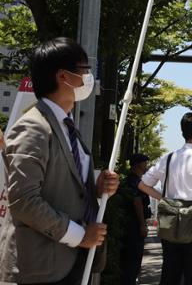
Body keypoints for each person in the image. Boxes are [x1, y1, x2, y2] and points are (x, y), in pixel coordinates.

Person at [0, 37, 119, 284]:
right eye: (85, 70)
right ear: (63, 76)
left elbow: (65, 187)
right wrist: (79, 235)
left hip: (70, 261)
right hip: (42, 269)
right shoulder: (33, 127)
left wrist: (97, 189)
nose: (89, 78)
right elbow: (24, 200)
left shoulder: (66, 126)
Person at [138, 112, 192, 285]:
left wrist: (163, 198)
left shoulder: (167, 158)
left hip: (170, 222)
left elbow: (143, 185)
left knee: (170, 273)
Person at [121, 153, 152, 285]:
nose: (146, 166)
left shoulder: (131, 180)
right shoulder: (135, 182)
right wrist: (142, 224)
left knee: (130, 260)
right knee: (133, 260)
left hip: (131, 225)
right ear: (138, 164)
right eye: (145, 163)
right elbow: (137, 202)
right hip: (133, 225)